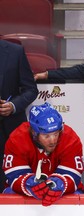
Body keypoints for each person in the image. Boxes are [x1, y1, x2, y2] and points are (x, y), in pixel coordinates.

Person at [2, 102, 84, 206]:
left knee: (76, 197)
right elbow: (14, 177)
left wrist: (58, 184)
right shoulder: (17, 139)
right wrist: (30, 184)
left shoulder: (70, 139)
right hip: (24, 192)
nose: (53, 140)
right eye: (46, 136)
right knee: (10, 195)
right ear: (34, 133)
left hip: (62, 192)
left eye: (56, 134)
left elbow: (73, 176)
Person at [0, 39, 39, 193]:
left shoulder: (15, 52)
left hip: (9, 132)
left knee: (10, 185)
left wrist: (13, 106)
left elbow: (31, 89)